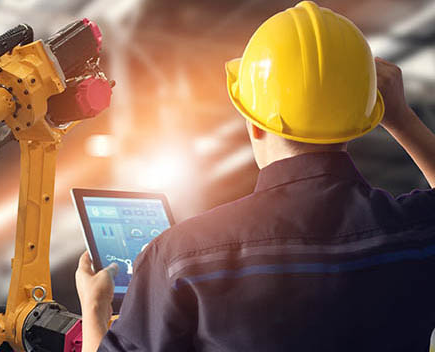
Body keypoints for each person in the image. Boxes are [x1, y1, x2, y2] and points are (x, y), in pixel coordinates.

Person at [75, 1, 435, 351]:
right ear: (363, 118)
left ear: (255, 125)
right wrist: (402, 118)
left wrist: (95, 310)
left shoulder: (180, 258)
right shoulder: (414, 232)